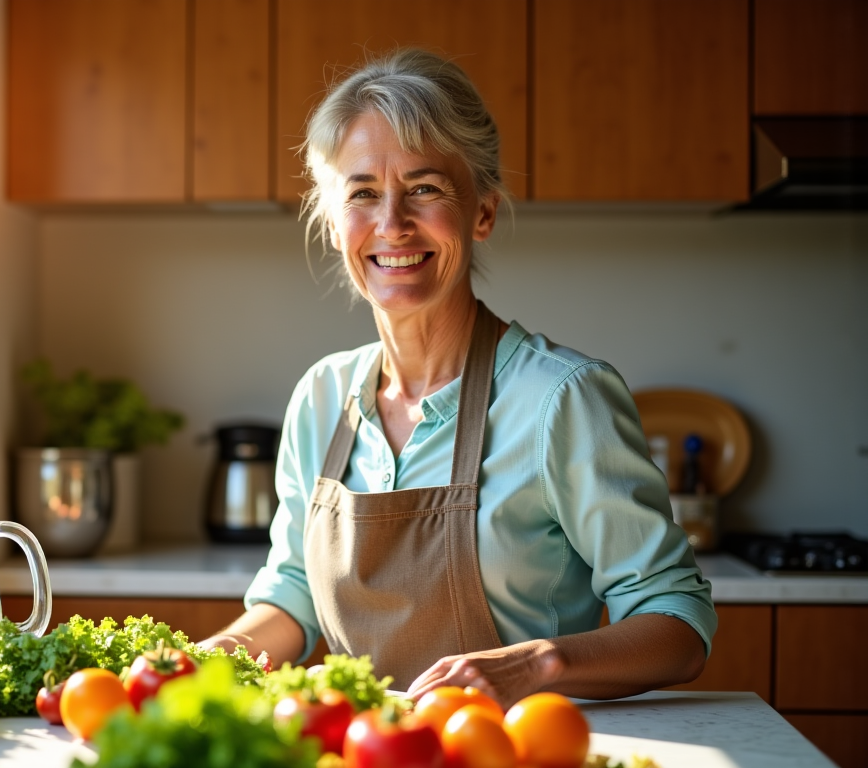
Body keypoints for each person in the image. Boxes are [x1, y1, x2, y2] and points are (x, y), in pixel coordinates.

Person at [200, 49, 716, 708]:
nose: (392, 223)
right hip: (369, 748)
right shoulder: (322, 399)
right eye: (363, 193)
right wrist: (203, 659)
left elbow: (677, 625)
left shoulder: (561, 399)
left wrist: (535, 664)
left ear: (482, 213)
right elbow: (292, 599)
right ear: (335, 225)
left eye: (425, 188)